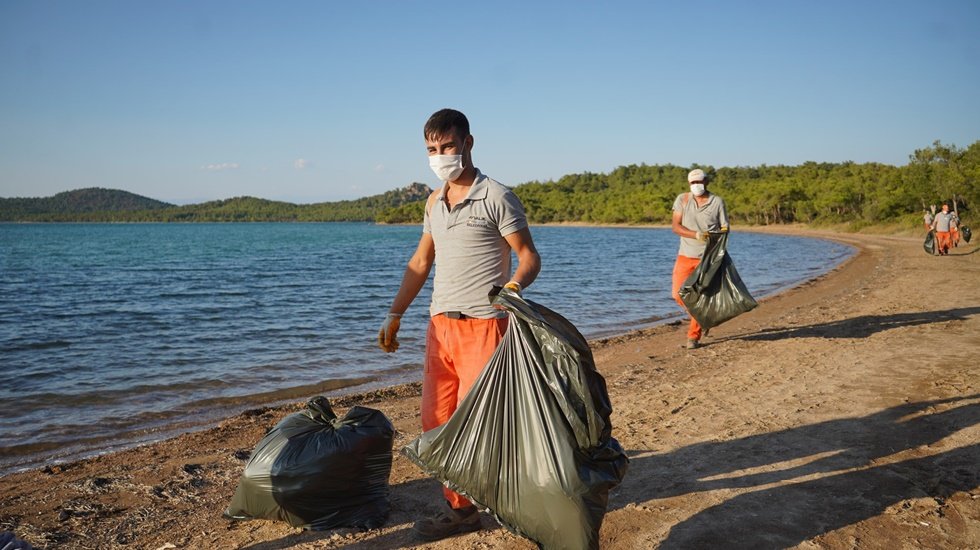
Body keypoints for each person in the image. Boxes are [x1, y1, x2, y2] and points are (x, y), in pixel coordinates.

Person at [378, 108, 541, 541]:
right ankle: (462, 508)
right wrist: (395, 313)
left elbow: (528, 255)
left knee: (479, 425)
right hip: (440, 328)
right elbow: (420, 261)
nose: (440, 156)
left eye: (447, 146)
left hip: (485, 325)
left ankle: (496, 501)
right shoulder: (433, 201)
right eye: (431, 149)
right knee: (435, 423)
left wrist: (513, 286)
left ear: (468, 143)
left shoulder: (497, 196)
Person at [670, 168, 729, 349]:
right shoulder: (683, 199)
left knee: (702, 296)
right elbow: (676, 226)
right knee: (677, 294)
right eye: (693, 182)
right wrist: (696, 235)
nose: (696, 185)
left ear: (707, 182)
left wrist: (718, 245)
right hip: (685, 255)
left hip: (708, 258)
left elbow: (725, 227)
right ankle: (703, 317)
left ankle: (693, 337)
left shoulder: (716, 202)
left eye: (699, 181)